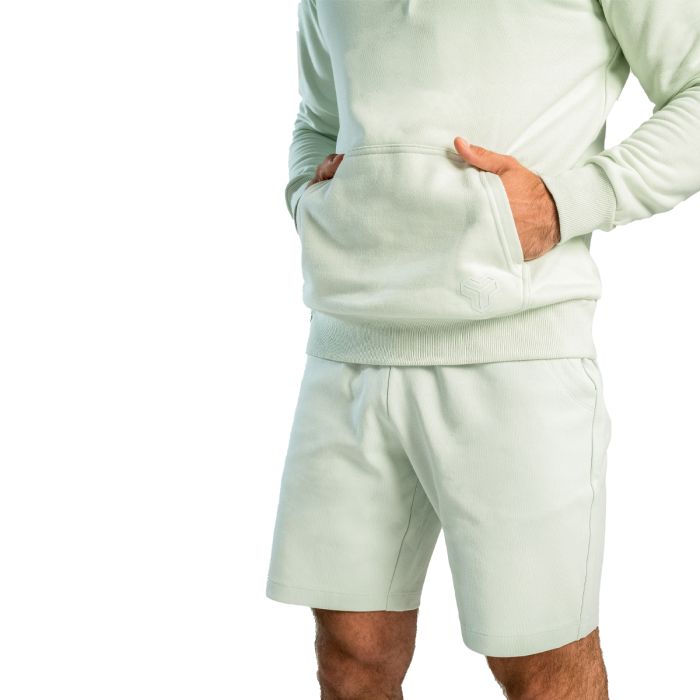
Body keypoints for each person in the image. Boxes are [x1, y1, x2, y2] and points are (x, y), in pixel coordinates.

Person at [266, 1, 700, 697]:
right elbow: (318, 117)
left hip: (517, 350)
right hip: (347, 344)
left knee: (541, 663)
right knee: (351, 654)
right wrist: (306, 198)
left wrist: (569, 201)